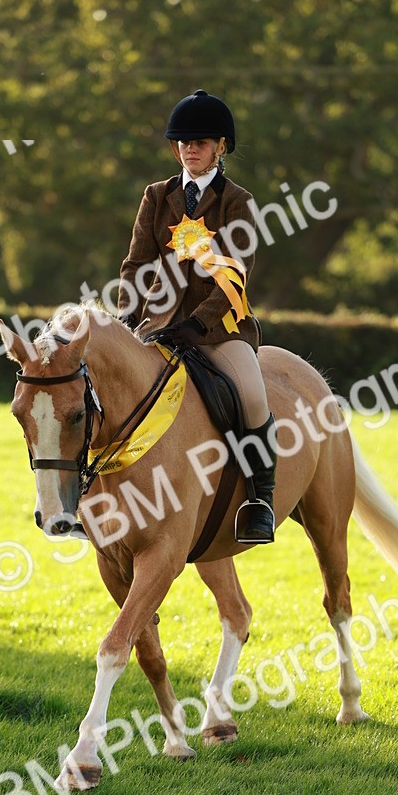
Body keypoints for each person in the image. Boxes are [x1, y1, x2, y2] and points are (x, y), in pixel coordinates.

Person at [116, 89, 276, 544]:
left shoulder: (237, 202)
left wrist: (197, 325)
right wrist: (129, 313)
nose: (190, 149)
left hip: (220, 330)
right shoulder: (156, 196)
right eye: (183, 142)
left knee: (250, 396)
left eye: (201, 142)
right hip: (159, 324)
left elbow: (235, 275)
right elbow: (135, 263)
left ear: (220, 147)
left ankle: (260, 500)